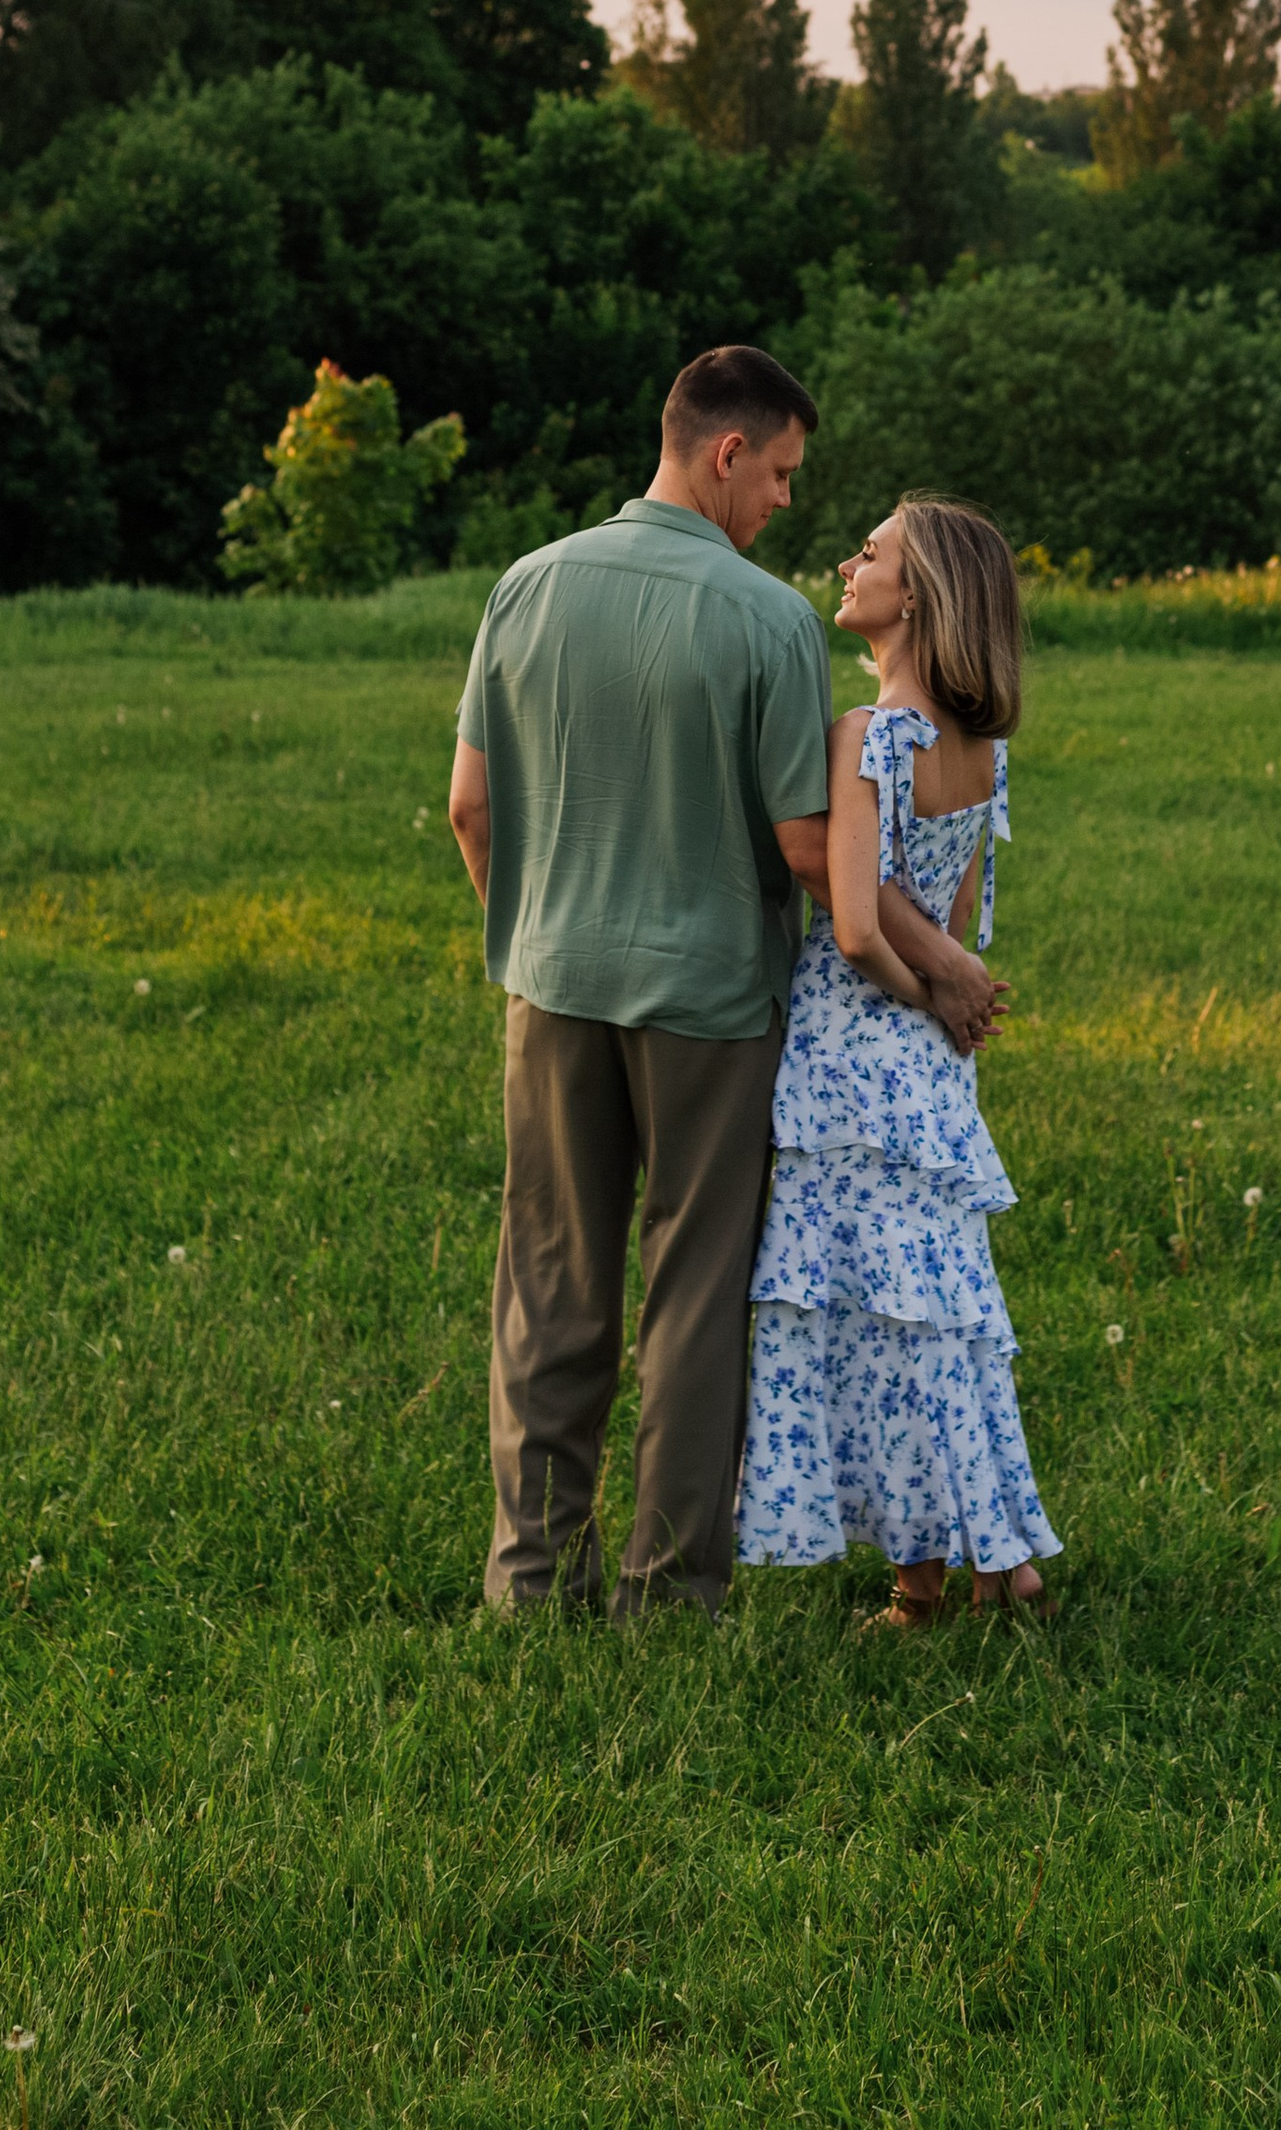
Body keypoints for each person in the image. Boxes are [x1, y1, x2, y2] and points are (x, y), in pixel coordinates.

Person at [447, 350, 1002, 1617]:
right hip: (711, 1010)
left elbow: (472, 808)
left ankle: (529, 1582)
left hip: (552, 989)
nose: (789, 508)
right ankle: (668, 1589)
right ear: (727, 453)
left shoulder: (525, 586)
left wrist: (540, 932)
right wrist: (942, 967)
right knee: (692, 1294)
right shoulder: (764, 622)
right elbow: (814, 855)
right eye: (786, 477)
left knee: (549, 1282)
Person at [735, 497, 1060, 1625]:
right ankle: (985, 1559)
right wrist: (949, 1006)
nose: (845, 564)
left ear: (912, 594)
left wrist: (916, 991)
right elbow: (957, 918)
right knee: (943, 1312)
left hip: (843, 1064)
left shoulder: (867, 737)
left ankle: (937, 1580)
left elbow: (864, 924)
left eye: (867, 554)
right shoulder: (978, 748)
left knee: (869, 1321)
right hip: (927, 1069)